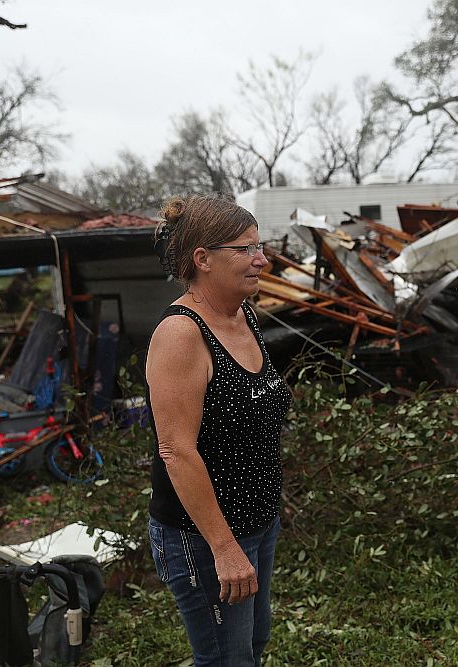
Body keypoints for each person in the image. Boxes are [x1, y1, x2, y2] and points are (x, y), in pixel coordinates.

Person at [146, 193, 291, 666]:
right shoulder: (181, 334)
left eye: (259, 246)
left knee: (253, 644)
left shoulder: (243, 314)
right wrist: (224, 548)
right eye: (246, 249)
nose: (261, 259)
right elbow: (176, 451)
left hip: (258, 521)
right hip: (206, 535)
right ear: (203, 259)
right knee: (227, 660)